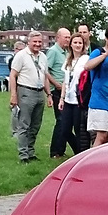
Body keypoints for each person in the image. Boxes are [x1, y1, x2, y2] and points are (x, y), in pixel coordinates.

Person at [9, 31, 53, 163]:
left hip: (39, 92)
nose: (37, 44)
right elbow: (13, 75)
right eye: (35, 41)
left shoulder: (43, 57)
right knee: (24, 125)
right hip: (25, 91)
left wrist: (49, 94)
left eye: (40, 42)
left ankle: (31, 151)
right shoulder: (21, 56)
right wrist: (13, 95)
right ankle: (23, 155)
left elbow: (45, 76)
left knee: (36, 125)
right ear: (29, 42)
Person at [57, 33, 89, 156]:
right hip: (68, 100)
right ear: (71, 44)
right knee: (65, 130)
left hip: (79, 101)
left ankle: (81, 154)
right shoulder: (68, 60)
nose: (77, 45)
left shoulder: (86, 59)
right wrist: (62, 98)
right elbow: (65, 81)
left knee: (79, 130)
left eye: (80, 43)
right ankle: (78, 153)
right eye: (75, 42)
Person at [47, 28, 71, 159]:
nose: (68, 39)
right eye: (65, 37)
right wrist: (56, 84)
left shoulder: (66, 52)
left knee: (66, 121)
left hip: (66, 90)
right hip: (57, 90)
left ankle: (61, 149)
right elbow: (46, 71)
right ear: (58, 38)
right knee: (61, 120)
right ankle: (55, 151)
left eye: (69, 37)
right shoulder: (53, 52)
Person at [8, 41, 26, 139]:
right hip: (16, 85)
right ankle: (15, 131)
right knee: (15, 109)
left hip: (24, 86)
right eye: (18, 49)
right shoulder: (12, 60)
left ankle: (22, 129)